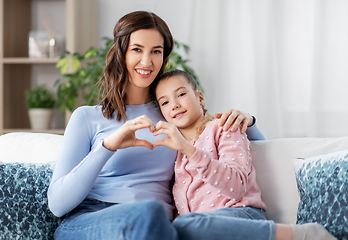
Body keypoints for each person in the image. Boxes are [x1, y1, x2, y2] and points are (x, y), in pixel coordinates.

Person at [47, 11, 264, 240]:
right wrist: (107, 146)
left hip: (156, 225)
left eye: (156, 52)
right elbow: (57, 205)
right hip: (91, 220)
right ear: (121, 53)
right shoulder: (87, 117)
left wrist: (247, 122)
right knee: (149, 213)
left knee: (156, 216)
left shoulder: (173, 114)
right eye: (137, 49)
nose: (147, 62)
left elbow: (254, 156)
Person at [152, 69, 337, 240]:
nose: (174, 105)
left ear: (199, 97)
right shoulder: (175, 153)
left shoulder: (224, 127)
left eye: (181, 94)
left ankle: (301, 234)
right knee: (176, 228)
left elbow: (237, 185)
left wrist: (190, 151)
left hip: (242, 215)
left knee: (186, 224)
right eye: (165, 102)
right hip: (207, 230)